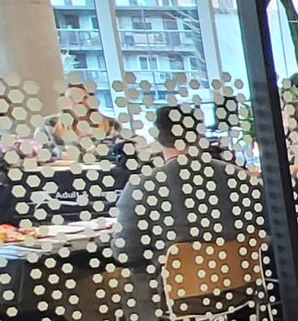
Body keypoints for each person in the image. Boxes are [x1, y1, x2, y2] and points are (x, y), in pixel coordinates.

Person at [112, 104, 265, 269]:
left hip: (174, 284)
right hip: (242, 279)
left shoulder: (141, 188)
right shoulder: (239, 177)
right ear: (199, 135)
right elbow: (268, 231)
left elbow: (125, 253)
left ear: (157, 139)